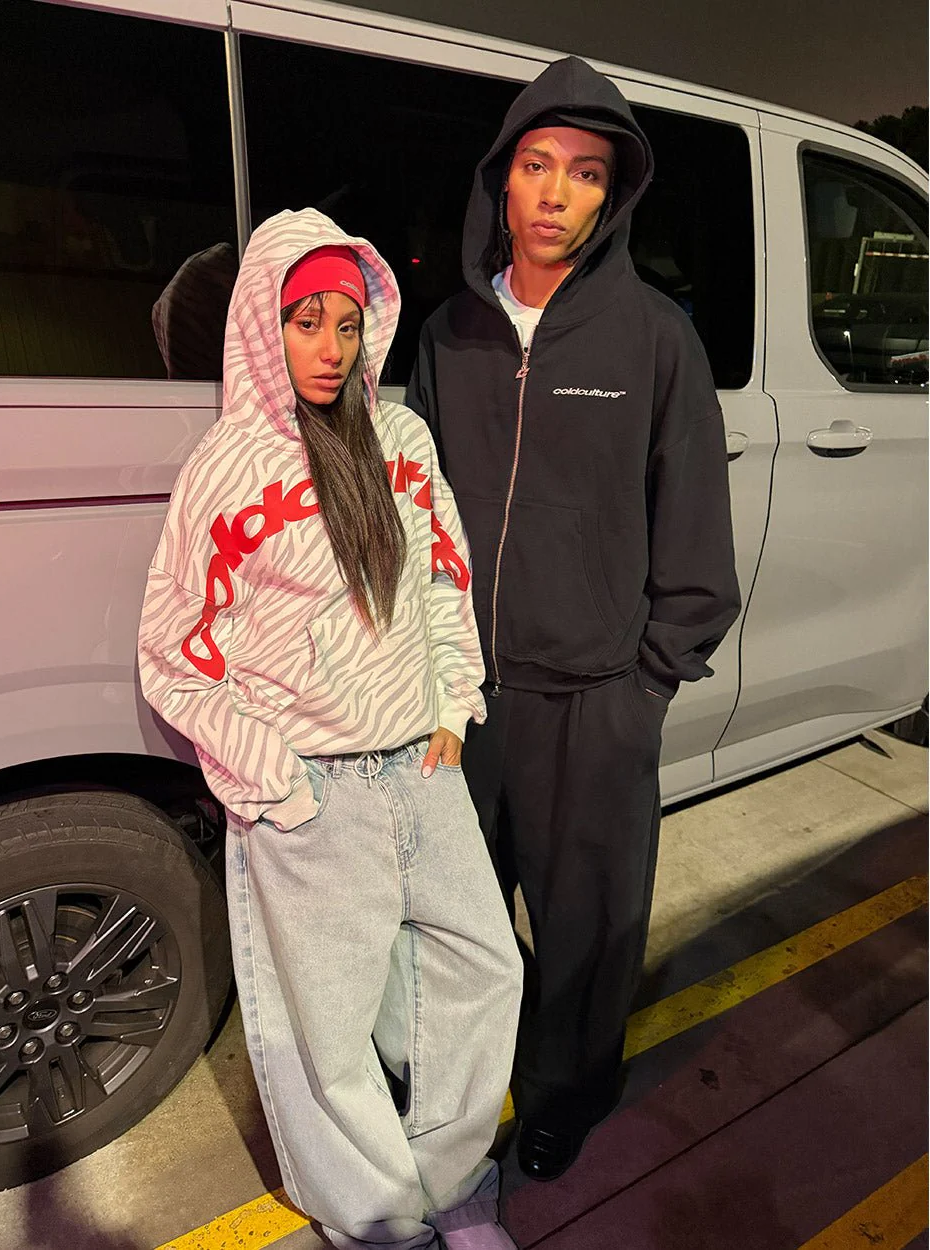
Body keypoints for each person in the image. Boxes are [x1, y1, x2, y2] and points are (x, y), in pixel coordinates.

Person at [138, 208, 523, 1250]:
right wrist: (274, 774)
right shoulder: (228, 468)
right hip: (312, 789)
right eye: (305, 322)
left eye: (347, 324)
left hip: (419, 767)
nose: (330, 347)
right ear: (264, 325)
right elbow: (175, 648)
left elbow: (442, 580)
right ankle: (380, 1223)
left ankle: (450, 1184)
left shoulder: (399, 439)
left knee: (483, 969)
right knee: (329, 1031)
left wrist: (452, 705)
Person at [406, 57, 740, 1182]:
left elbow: (693, 530)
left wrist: (647, 684)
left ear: (613, 194)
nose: (555, 193)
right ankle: (452, 1089)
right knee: (448, 918)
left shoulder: (654, 338)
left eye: (586, 173)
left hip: (594, 700)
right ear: (501, 180)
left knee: (587, 925)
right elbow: (416, 516)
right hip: (462, 699)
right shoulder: (448, 336)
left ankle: (565, 1093)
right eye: (538, 165)